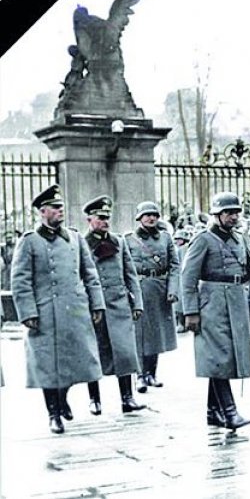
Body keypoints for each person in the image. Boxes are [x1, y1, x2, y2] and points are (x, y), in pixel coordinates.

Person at [11, 184, 105, 434]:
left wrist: (96, 304)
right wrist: (28, 312)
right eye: (54, 207)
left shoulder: (74, 238)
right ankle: (53, 413)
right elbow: (20, 281)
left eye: (61, 206)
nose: (60, 210)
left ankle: (63, 399)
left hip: (75, 310)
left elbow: (90, 274)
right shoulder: (30, 241)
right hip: (45, 313)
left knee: (75, 360)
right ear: (42, 212)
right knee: (47, 365)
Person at [181, 192, 250, 429]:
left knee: (226, 357)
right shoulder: (203, 240)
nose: (234, 217)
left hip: (236, 300)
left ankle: (213, 412)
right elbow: (188, 277)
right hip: (212, 303)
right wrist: (191, 311)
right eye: (228, 213)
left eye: (236, 212)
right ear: (217, 214)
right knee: (218, 356)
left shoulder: (239, 239)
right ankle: (230, 412)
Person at [82, 196, 147, 415]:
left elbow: (131, 274)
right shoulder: (81, 244)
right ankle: (95, 399)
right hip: (94, 307)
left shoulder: (118, 242)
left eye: (107, 217)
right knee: (94, 353)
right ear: (89, 220)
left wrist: (137, 303)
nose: (105, 221)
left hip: (119, 304)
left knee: (125, 351)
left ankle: (127, 398)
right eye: (100, 218)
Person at [125, 201, 180, 392]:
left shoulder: (165, 238)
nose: (151, 218)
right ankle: (140, 375)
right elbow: (124, 268)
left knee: (156, 334)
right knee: (140, 334)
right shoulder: (129, 239)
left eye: (154, 215)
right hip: (139, 289)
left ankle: (151, 374)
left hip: (159, 290)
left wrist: (172, 289)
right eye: (147, 215)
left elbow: (174, 266)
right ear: (139, 218)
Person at [172, 228, 192, 333]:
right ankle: (180, 323)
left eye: (179, 239)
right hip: (179, 276)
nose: (177, 241)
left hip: (183, 276)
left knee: (181, 302)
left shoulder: (184, 249)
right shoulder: (177, 249)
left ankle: (181, 323)